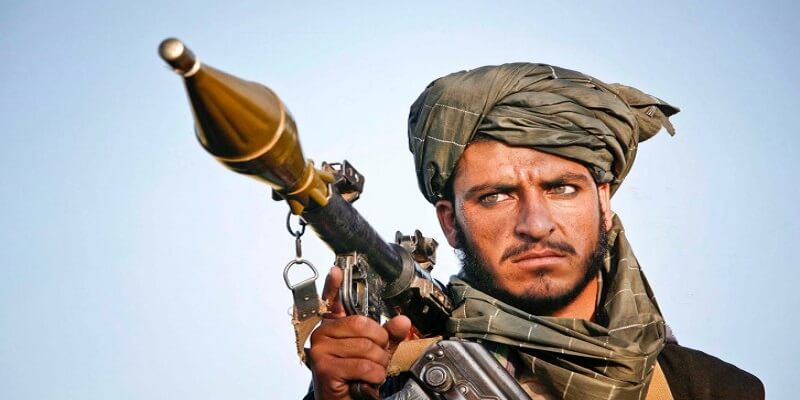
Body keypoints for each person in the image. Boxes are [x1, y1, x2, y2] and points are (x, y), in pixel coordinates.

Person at [305, 63, 764, 399]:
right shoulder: (395, 377)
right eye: (495, 197)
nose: (535, 225)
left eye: (561, 188)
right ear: (450, 223)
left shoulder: (712, 389)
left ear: (603, 202)